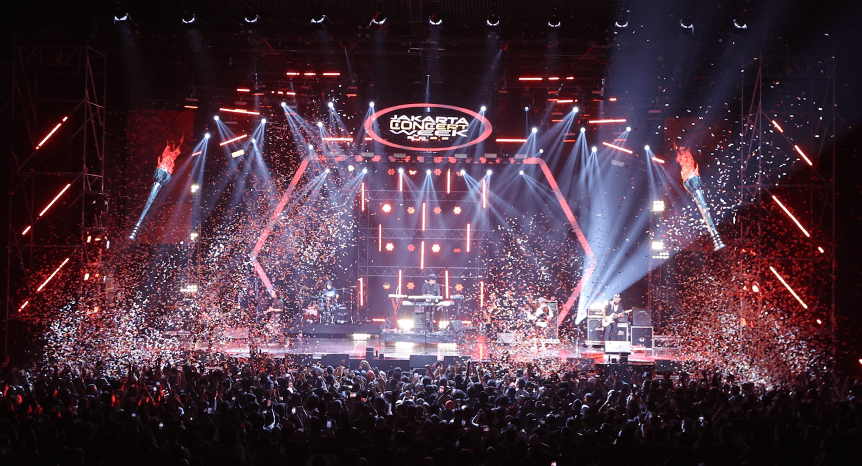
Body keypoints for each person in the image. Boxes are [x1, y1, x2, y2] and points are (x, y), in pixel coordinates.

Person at [675, 144, 725, 251]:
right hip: (692, 183)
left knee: (704, 209)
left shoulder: (691, 170)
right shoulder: (686, 172)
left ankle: (716, 239)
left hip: (693, 182)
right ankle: (716, 239)